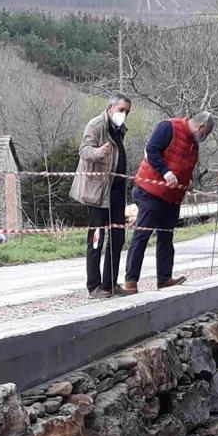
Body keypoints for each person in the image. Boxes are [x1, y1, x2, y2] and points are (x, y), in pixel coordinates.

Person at [122, 110, 214, 293]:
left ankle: (164, 278)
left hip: (172, 197)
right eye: (206, 133)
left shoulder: (193, 145)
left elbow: (185, 167)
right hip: (150, 191)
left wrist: (187, 182)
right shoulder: (168, 127)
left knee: (166, 237)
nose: (205, 137)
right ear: (200, 127)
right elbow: (152, 150)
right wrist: (165, 172)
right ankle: (131, 280)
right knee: (143, 234)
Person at [70, 94, 132, 299]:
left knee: (117, 237)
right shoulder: (96, 125)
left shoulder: (119, 130)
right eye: (121, 110)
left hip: (116, 192)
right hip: (98, 192)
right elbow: (84, 150)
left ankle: (110, 283)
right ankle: (93, 286)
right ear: (110, 108)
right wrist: (99, 152)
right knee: (97, 238)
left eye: (127, 111)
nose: (123, 114)